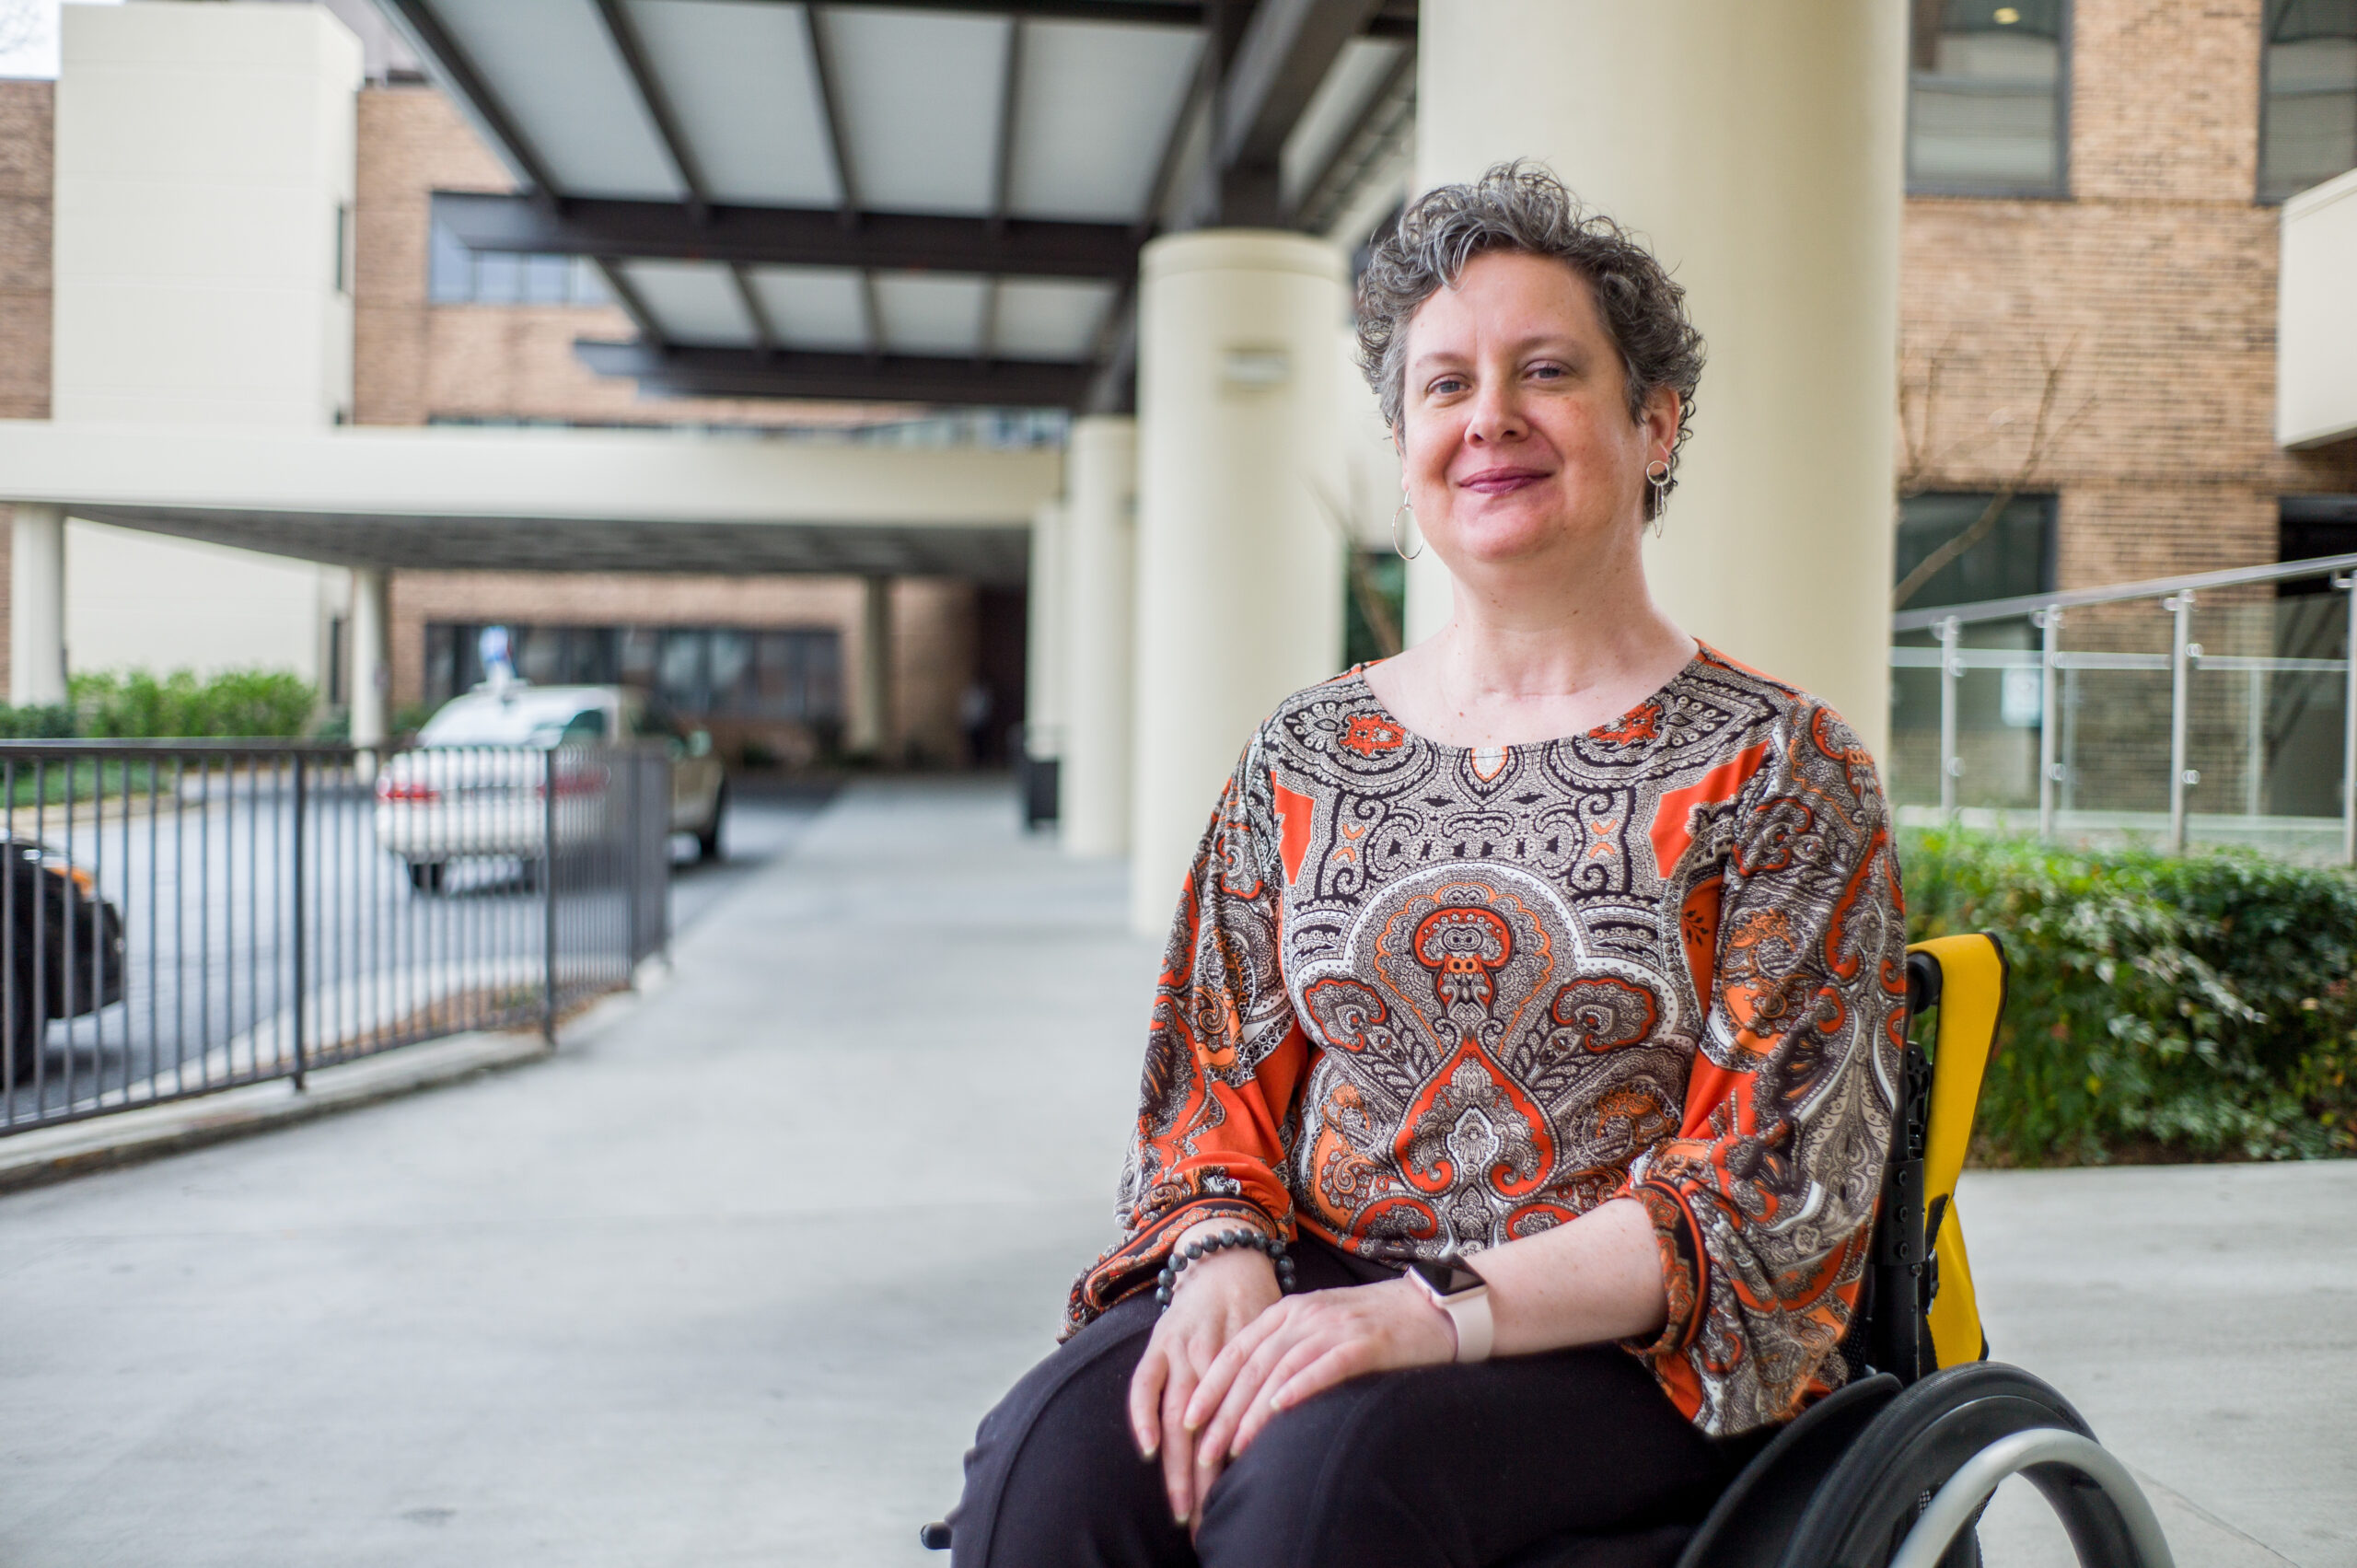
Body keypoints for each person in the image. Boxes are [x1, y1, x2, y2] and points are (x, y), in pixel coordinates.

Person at [946, 163, 1907, 1568]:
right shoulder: (1308, 751)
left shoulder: (1779, 771)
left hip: (1622, 1344)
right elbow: (1210, 1085)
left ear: (1654, 423)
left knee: (1323, 1496)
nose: (1490, 419)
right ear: (1405, 445)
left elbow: (1765, 1194)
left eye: (1546, 371)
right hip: (1320, 1272)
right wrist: (1218, 1260)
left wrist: (1435, 1313)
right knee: (1055, 1469)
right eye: (1444, 386)